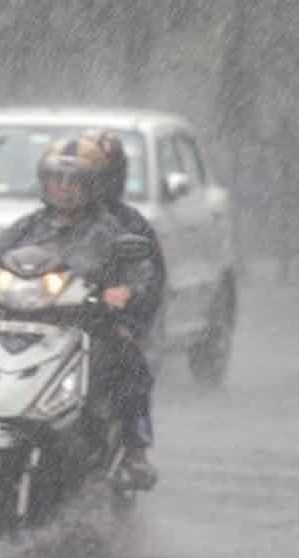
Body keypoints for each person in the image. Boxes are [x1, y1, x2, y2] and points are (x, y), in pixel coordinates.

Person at [0, 135, 162, 489]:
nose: (64, 189)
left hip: (84, 326)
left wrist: (123, 291)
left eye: (74, 181)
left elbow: (141, 273)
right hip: (19, 322)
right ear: (43, 182)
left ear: (93, 186)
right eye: (56, 179)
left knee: (129, 362)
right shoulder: (26, 227)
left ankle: (134, 450)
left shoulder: (110, 231)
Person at [80, 128, 167, 488]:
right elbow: (10, 260)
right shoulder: (40, 221)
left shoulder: (131, 225)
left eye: (102, 176)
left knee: (131, 369)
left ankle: (135, 448)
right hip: (50, 320)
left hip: (105, 325)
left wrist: (126, 306)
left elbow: (150, 279)